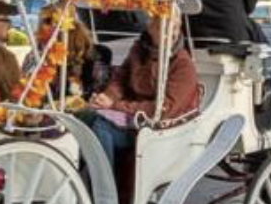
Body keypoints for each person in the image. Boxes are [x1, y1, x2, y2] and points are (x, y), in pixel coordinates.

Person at [82, 14, 200, 171]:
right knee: (82, 116)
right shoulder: (139, 49)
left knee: (101, 128)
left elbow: (166, 108)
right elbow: (121, 78)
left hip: (154, 127)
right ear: (150, 29)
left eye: (176, 28)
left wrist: (116, 105)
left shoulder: (183, 65)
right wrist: (107, 96)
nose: (171, 33)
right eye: (163, 28)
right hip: (130, 116)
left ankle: (104, 190)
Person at [34, 2, 112, 101]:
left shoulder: (98, 55)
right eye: (42, 22)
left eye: (49, 22)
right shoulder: (37, 54)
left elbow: (96, 92)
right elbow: (31, 88)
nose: (41, 28)